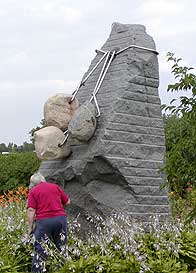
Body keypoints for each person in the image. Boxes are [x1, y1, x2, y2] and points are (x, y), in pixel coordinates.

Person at [26, 172, 70, 272]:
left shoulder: (33, 191)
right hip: (60, 219)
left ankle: (38, 270)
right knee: (62, 246)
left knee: (41, 249)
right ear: (43, 179)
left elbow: (31, 210)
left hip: (44, 222)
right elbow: (67, 202)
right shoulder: (55, 187)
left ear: (33, 183)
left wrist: (30, 228)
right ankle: (66, 268)